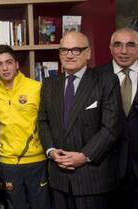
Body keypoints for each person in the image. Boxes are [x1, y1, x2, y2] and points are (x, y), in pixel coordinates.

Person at [38, 31, 120, 209]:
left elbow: (111, 127)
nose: (69, 55)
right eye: (64, 50)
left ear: (88, 53)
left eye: (76, 50)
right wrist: (51, 151)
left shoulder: (106, 81)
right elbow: (43, 122)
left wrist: (84, 156)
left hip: (91, 177)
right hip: (59, 179)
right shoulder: (49, 83)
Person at [0, 45, 51, 209]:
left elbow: (47, 122)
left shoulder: (36, 87)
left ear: (17, 64)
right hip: (8, 163)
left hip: (36, 160)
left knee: (41, 205)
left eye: (9, 62)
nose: (5, 67)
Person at [96, 27, 138, 209]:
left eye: (131, 45)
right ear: (110, 48)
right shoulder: (96, 77)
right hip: (107, 167)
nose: (124, 51)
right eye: (118, 45)